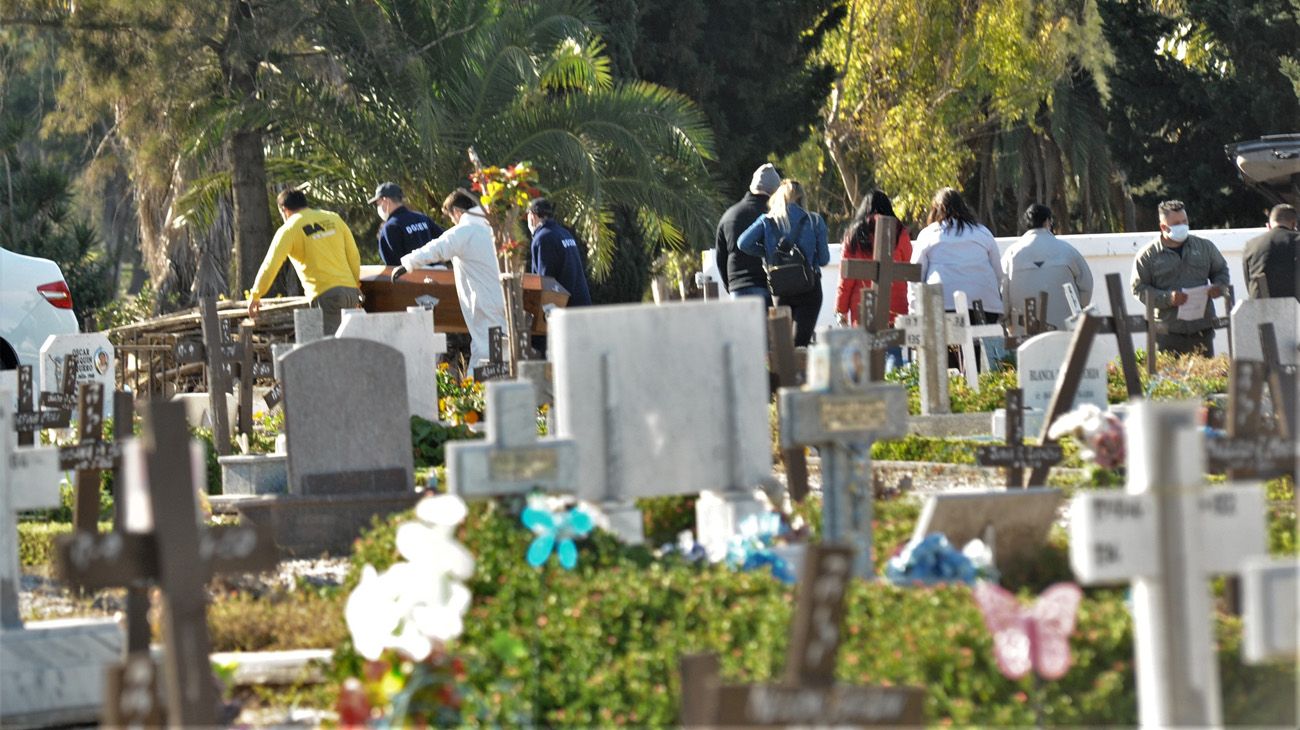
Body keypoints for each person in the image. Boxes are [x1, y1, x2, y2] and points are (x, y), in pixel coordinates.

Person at [399, 189, 507, 366]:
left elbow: (437, 248)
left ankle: (481, 391)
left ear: (457, 212)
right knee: (497, 348)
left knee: (485, 352)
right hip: (500, 299)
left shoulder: (465, 231)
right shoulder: (492, 231)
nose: (453, 222)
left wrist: (407, 264)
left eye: (451, 217)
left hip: (482, 302)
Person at [248, 188, 361, 334]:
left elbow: (270, 265)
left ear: (284, 210)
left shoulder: (289, 229)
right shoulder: (333, 219)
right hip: (350, 292)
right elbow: (353, 255)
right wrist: (355, 284)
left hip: (325, 295)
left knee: (332, 349)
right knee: (351, 343)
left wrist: (255, 294)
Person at [1130, 199, 1230, 357]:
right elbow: (1139, 289)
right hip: (1168, 334)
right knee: (1169, 380)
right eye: (1176, 223)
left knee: (1205, 379)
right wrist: (1168, 298)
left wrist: (1218, 287)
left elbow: (1221, 270)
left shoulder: (1205, 247)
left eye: (1185, 221)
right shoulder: (1148, 255)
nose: (1183, 226)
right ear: (1163, 227)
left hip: (1202, 330)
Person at [737, 179, 829, 346]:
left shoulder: (767, 220)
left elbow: (742, 243)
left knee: (783, 347)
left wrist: (767, 253)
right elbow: (824, 260)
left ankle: (784, 372)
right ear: (802, 198)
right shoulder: (814, 221)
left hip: (780, 289)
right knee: (800, 345)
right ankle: (800, 371)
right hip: (809, 288)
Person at [834, 190, 911, 369]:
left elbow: (846, 278)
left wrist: (841, 310)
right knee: (892, 349)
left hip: (863, 306)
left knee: (863, 355)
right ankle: (895, 389)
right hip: (894, 305)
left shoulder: (854, 234)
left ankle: (866, 394)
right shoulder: (900, 231)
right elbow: (906, 262)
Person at [908, 187, 1004, 321]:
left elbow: (915, 276)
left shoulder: (928, 234)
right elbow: (998, 274)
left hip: (943, 308)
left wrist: (914, 311)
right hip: (985, 308)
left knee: (948, 341)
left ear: (935, 210)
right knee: (984, 339)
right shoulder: (984, 233)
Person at [1000, 203, 1093, 330]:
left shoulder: (1011, 254)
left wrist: (1007, 320)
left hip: (1024, 330)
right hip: (1064, 329)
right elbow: (1086, 285)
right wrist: (1078, 311)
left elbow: (1002, 290)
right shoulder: (1067, 251)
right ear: (1048, 221)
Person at [715, 163, 781, 305]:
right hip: (766, 289)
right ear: (775, 192)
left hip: (737, 289)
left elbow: (720, 258)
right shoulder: (773, 215)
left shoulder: (729, 215)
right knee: (767, 328)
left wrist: (731, 286)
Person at [527, 198, 592, 307]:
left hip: (564, 311)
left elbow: (544, 279)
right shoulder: (564, 233)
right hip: (582, 304)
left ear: (532, 216)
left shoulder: (542, 238)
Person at [369, 182, 444, 266]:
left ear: (386, 201)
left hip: (411, 277)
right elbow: (444, 241)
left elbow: (392, 264)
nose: (378, 207)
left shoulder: (390, 227)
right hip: (439, 273)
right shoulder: (422, 218)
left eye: (378, 204)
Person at [1241, 203, 1298, 300]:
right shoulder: (1297, 241)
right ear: (1294, 224)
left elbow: (1249, 282)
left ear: (1269, 225)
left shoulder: (1251, 245)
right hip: (1293, 308)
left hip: (1259, 306)